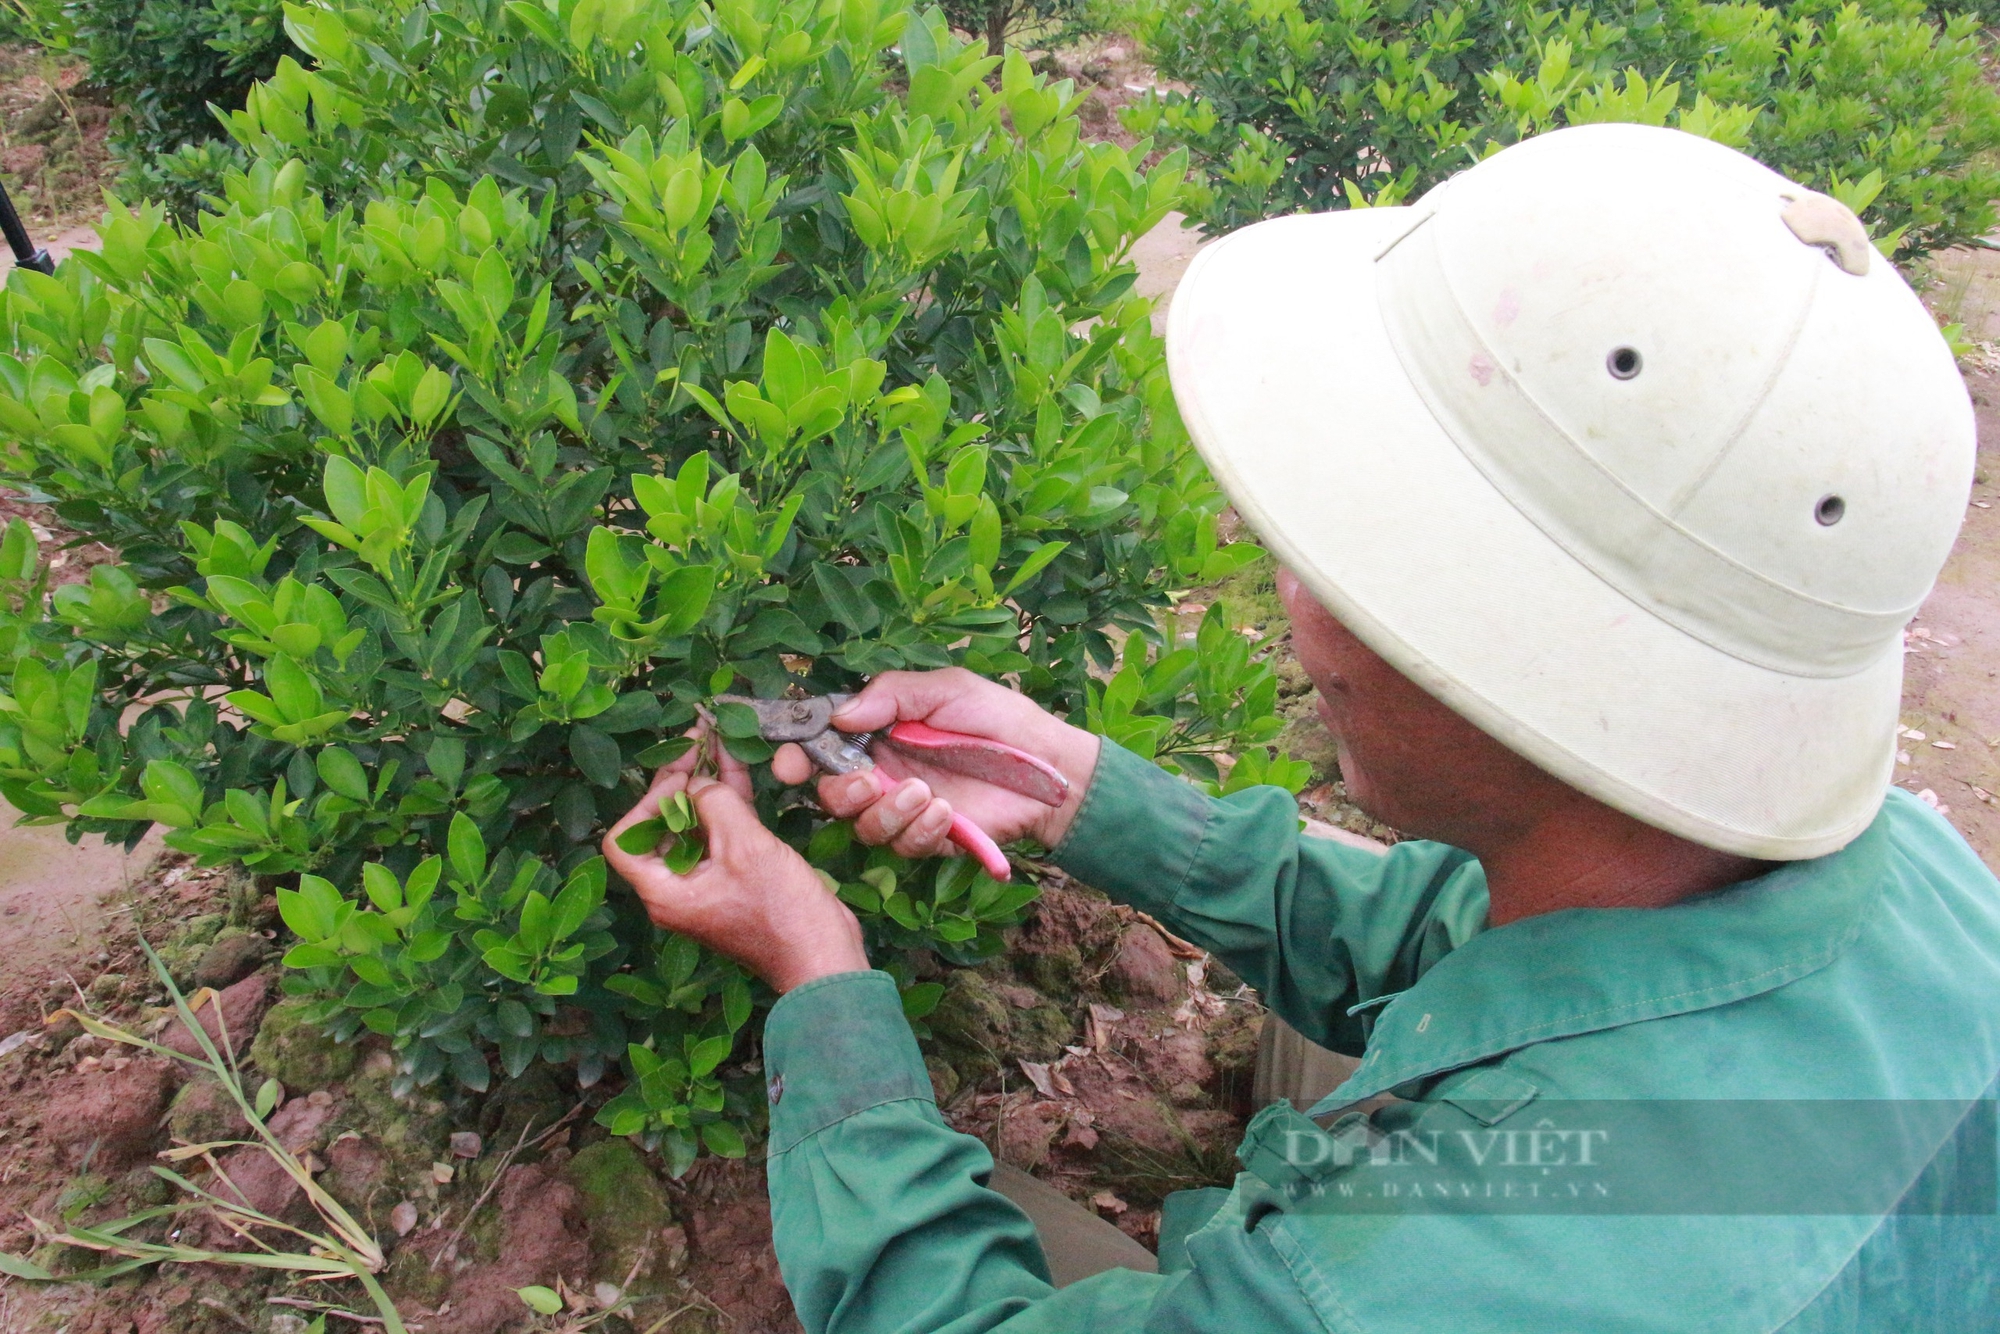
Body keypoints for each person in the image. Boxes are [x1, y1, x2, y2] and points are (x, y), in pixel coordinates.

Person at [604, 124, 2000, 1331]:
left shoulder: (1398, 1286)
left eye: (1335, 552)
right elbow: (1481, 942)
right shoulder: (1919, 884)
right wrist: (1075, 783)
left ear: (1488, 672)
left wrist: (821, 976)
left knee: (982, 1214)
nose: (1284, 586)